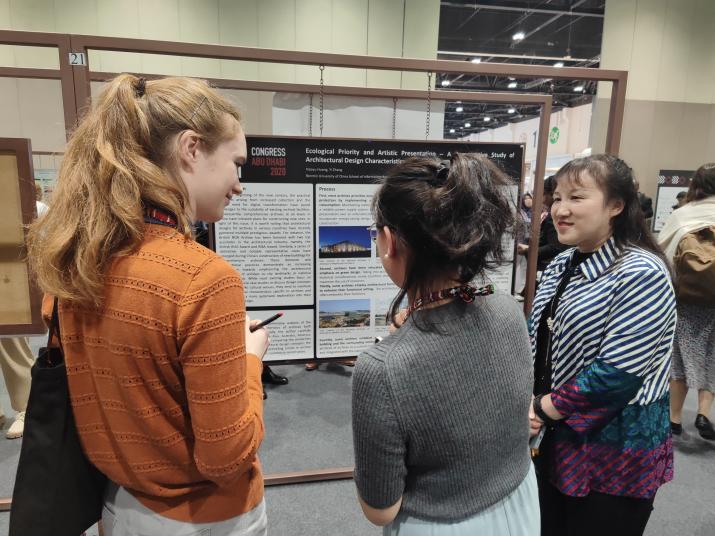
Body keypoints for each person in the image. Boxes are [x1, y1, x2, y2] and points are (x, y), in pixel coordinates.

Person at [27, 74, 270, 535]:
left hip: (115, 506)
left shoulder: (76, 264)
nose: (238, 185)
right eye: (236, 164)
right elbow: (225, 457)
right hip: (208, 520)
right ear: (191, 148)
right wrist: (249, 360)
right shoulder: (205, 278)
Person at [352, 155, 538, 535]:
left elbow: (380, 510)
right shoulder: (508, 309)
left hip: (441, 525)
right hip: (521, 504)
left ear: (388, 241)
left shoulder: (381, 369)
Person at [529, 155, 676, 536]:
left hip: (613, 448)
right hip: (554, 434)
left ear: (616, 205)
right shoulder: (563, 263)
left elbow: (616, 375)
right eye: (557, 198)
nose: (560, 209)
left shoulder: (641, 272)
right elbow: (539, 339)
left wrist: (540, 409)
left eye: (576, 197)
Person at [659, 163, 715, 440]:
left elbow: (663, 254)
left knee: (680, 359)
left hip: (686, 300)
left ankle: (675, 418)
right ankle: (703, 413)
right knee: (712, 356)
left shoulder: (682, 215)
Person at [517, 176, 568, 272]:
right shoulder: (550, 214)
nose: (541, 200)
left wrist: (528, 249)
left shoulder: (556, 216)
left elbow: (555, 247)